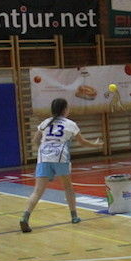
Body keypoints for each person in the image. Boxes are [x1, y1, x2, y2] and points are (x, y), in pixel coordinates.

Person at [20, 97, 102, 233]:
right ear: (65, 109)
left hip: (44, 156)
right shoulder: (70, 124)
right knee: (68, 187)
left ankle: (25, 216)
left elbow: (35, 140)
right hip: (60, 156)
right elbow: (82, 142)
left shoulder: (45, 122)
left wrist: (45, 148)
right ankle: (74, 216)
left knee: (37, 191)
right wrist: (95, 144)